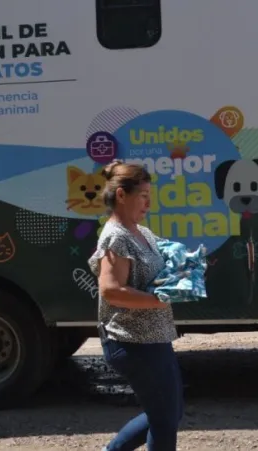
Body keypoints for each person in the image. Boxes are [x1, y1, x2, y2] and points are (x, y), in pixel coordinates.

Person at [89, 161, 184, 451]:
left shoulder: (139, 231)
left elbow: (163, 265)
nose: (148, 202)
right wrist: (158, 299)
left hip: (153, 337)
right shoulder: (117, 236)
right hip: (132, 341)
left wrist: (186, 269)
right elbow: (111, 290)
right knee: (165, 417)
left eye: (148, 194)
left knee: (169, 412)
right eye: (142, 195)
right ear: (121, 195)